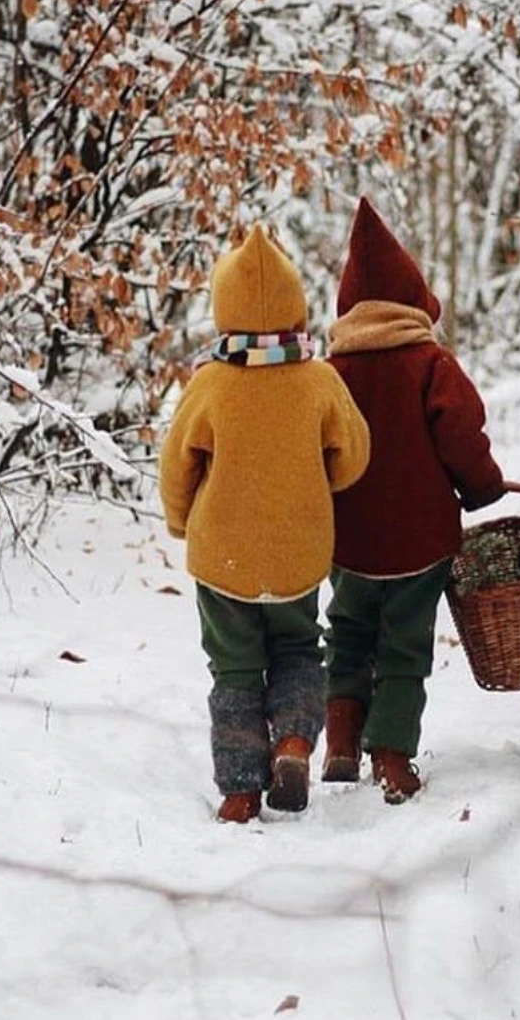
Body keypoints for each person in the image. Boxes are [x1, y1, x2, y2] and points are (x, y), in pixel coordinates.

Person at [159, 224, 370, 824]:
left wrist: (181, 521)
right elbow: (353, 455)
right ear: (294, 303)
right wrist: (316, 483)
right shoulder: (319, 380)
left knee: (234, 668)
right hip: (297, 552)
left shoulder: (210, 385)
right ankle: (295, 744)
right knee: (300, 651)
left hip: (223, 555)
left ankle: (240, 791)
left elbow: (177, 464)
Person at [324, 197, 506, 803]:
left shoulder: (330, 373)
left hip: (348, 540)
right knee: (404, 643)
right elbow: (461, 434)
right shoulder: (431, 363)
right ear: (414, 301)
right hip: (418, 540)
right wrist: (482, 488)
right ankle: (393, 754)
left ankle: (341, 743)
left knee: (348, 632)